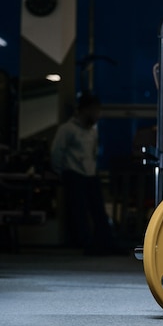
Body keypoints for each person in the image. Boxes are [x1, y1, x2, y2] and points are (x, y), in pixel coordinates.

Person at [51, 91, 115, 255]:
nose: (97, 114)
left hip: (90, 173)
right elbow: (57, 152)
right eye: (94, 110)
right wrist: (60, 171)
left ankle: (105, 244)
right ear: (84, 110)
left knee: (98, 209)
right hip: (74, 173)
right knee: (79, 210)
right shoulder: (67, 129)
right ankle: (85, 244)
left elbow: (92, 152)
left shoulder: (92, 131)